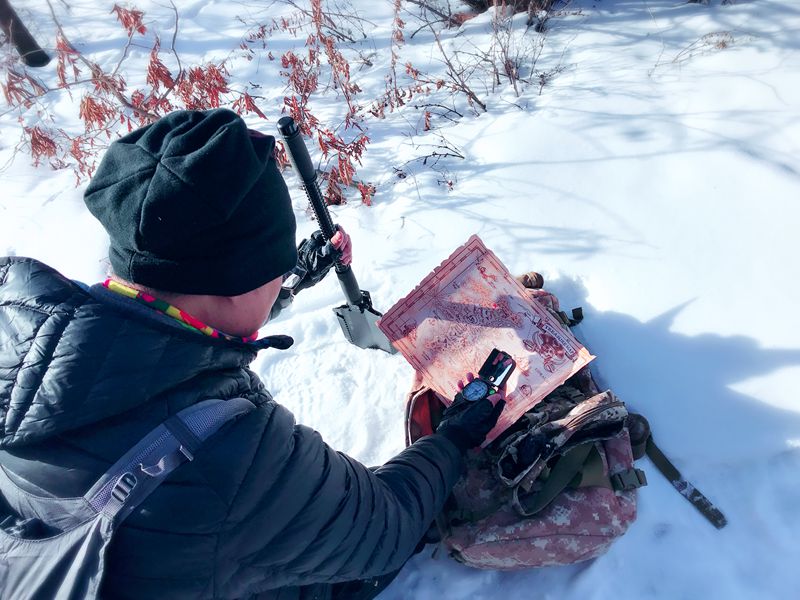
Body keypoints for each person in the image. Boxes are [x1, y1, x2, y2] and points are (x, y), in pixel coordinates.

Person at [0, 108, 505, 599]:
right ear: (235, 284)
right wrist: (454, 437)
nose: (279, 277)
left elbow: (189, 315)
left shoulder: (27, 330)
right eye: (275, 267)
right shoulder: (237, 460)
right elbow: (385, 527)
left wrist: (292, 282)